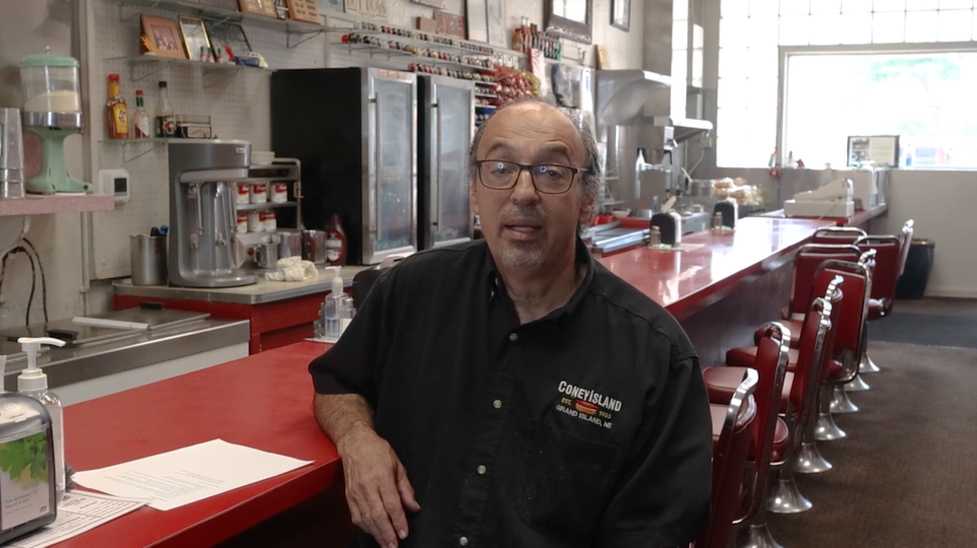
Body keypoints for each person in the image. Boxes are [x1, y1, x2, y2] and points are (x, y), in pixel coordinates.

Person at [309, 99, 712, 548]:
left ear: (588, 202)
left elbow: (654, 532)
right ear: (475, 192)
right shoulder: (411, 290)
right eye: (500, 168)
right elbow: (335, 383)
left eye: (551, 173)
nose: (523, 192)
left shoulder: (655, 357)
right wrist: (357, 440)